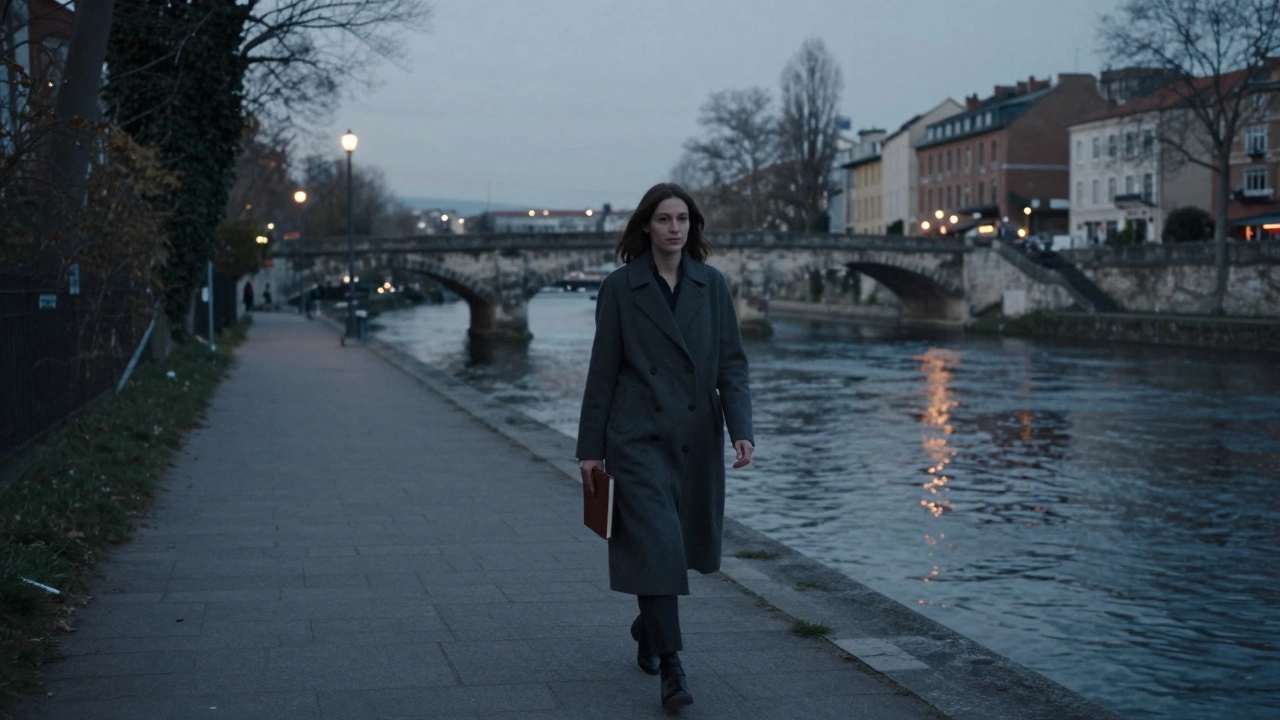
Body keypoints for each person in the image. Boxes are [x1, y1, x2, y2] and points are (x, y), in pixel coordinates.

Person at [576, 182, 754, 711]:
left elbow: (732, 364)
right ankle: (672, 666)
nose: (675, 228)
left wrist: (741, 428)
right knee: (656, 543)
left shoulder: (712, 286)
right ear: (646, 227)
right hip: (635, 438)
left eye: (683, 219)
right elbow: (602, 372)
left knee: (676, 547)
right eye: (664, 219)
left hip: (696, 436)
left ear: (692, 227)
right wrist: (590, 448)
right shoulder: (620, 288)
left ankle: (647, 627)